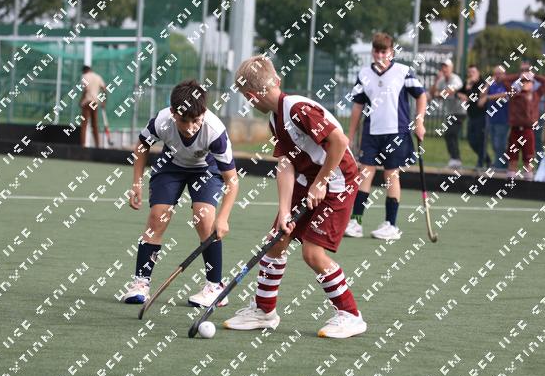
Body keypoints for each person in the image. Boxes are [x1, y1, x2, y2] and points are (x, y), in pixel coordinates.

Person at [222, 55, 366, 339]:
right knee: (276, 239)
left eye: (246, 98)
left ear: (251, 97)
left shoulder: (298, 109)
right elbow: (286, 164)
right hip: (308, 179)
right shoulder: (275, 120)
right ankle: (264, 311)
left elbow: (339, 141)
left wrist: (321, 182)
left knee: (312, 253)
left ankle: (350, 315)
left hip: (339, 182)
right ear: (276, 80)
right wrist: (285, 211)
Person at [122, 80, 239, 308]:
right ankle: (140, 283)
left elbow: (232, 181)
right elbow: (142, 145)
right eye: (184, 120)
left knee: (205, 218)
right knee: (157, 217)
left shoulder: (215, 131)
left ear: (203, 113)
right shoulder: (162, 121)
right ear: (173, 113)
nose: (190, 127)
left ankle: (215, 287)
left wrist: (223, 218)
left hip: (206, 169)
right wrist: (136, 183)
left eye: (196, 121)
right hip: (171, 166)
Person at [343, 32, 426, 240]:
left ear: (391, 52)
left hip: (396, 132)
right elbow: (357, 106)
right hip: (371, 133)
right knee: (364, 174)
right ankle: (356, 222)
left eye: (384, 51)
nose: (380, 55)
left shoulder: (403, 71)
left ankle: (391, 225)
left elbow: (421, 95)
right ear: (372, 52)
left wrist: (419, 121)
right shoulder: (364, 74)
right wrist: (349, 135)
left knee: (391, 176)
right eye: (377, 51)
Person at [503, 69, 545, 178]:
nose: (525, 83)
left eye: (528, 81)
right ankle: (510, 181)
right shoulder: (515, 94)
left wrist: (534, 75)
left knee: (528, 160)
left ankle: (528, 182)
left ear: (532, 84)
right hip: (515, 130)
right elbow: (504, 80)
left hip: (527, 131)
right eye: (523, 81)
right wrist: (519, 75)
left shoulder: (536, 94)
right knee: (512, 159)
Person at [429, 59, 464, 169]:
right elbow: (432, 93)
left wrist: (439, 94)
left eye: (446, 67)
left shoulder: (456, 79)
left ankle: (455, 159)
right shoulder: (441, 80)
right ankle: (455, 159)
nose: (444, 69)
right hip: (450, 112)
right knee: (450, 135)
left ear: (451, 68)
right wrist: (436, 81)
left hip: (460, 111)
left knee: (450, 133)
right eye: (443, 67)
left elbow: (450, 92)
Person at [457, 64, 490, 169]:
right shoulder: (468, 83)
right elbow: (458, 92)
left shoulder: (482, 83)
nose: (471, 74)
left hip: (481, 116)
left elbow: (475, 97)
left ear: (478, 73)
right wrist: (461, 94)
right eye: (469, 72)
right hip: (471, 116)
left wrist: (468, 89)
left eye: (473, 72)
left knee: (480, 140)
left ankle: (480, 163)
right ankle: (487, 159)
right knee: (471, 141)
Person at [479, 66, 510, 170]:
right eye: (495, 73)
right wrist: (487, 84)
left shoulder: (506, 84)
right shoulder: (492, 85)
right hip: (492, 118)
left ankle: (498, 167)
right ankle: (504, 164)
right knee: (494, 143)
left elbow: (504, 94)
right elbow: (481, 95)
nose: (497, 76)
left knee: (500, 144)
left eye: (500, 73)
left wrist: (488, 97)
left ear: (504, 74)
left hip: (503, 119)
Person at [79, 65, 107, 148]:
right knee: (94, 124)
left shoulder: (84, 76)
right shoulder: (98, 77)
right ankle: (97, 145)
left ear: (84, 71)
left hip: (87, 102)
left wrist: (81, 100)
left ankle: (83, 146)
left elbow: (85, 89)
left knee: (84, 125)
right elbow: (104, 89)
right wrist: (103, 102)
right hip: (95, 102)